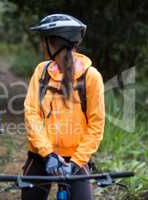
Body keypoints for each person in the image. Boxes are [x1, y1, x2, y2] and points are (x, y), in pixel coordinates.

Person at [22, 14, 105, 200]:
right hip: (41, 154)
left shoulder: (91, 77)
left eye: (45, 41)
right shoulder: (42, 71)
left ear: (55, 43)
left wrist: (76, 162)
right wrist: (48, 153)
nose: (43, 46)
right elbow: (31, 113)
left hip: (76, 156)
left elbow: (96, 125)